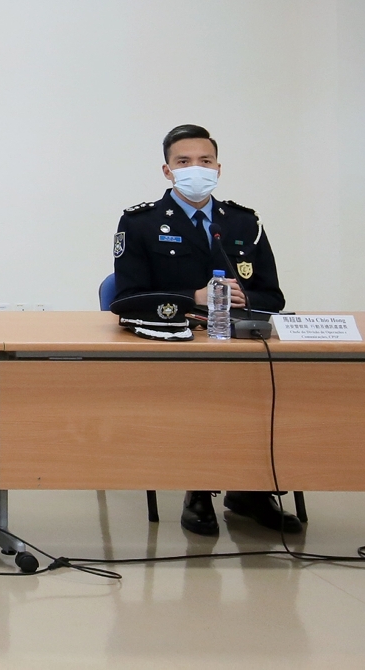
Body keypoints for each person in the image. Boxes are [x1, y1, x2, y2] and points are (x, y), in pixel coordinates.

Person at [113, 124, 299, 536]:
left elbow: (272, 296)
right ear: (167, 171)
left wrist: (246, 298)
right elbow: (126, 298)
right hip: (174, 344)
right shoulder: (140, 222)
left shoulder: (244, 223)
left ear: (218, 168)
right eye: (184, 162)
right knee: (203, 391)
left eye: (205, 161)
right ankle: (198, 488)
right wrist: (192, 297)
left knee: (274, 387)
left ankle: (252, 490)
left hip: (240, 344)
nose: (195, 169)